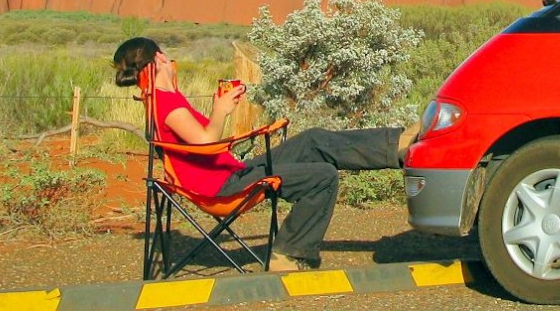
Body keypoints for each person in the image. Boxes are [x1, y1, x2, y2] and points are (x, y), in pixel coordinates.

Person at [113, 36, 418, 272]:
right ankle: (290, 254)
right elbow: (206, 140)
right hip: (223, 187)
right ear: (159, 59)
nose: (171, 61)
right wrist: (220, 111)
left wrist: (221, 109)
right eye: (166, 57)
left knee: (312, 139)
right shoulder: (166, 104)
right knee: (323, 177)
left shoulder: (163, 98)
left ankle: (399, 144)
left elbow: (200, 140)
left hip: (230, 173)